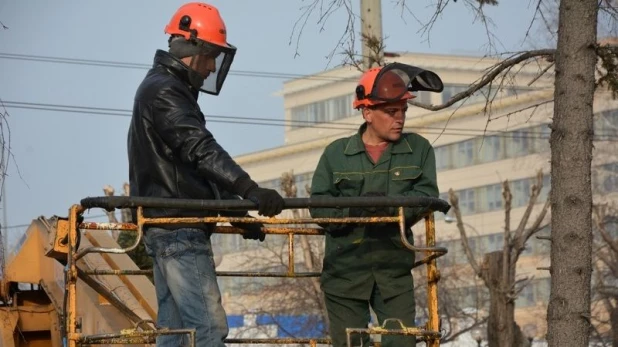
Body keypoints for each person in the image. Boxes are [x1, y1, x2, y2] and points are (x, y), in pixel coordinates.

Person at [127, 2, 285, 346]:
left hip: (168, 226)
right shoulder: (165, 92)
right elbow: (200, 150)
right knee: (209, 328)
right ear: (193, 49)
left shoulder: (163, 88)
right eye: (212, 55)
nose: (213, 65)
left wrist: (239, 213)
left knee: (175, 334)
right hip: (179, 229)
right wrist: (250, 188)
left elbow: (190, 170)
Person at [309, 63, 443, 347]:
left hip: (392, 271)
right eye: (391, 112)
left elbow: (426, 194)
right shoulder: (336, 154)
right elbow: (319, 206)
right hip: (345, 272)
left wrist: (389, 209)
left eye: (403, 111)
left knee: (402, 343)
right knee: (350, 344)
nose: (400, 119)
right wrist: (354, 211)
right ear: (367, 112)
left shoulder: (418, 150)